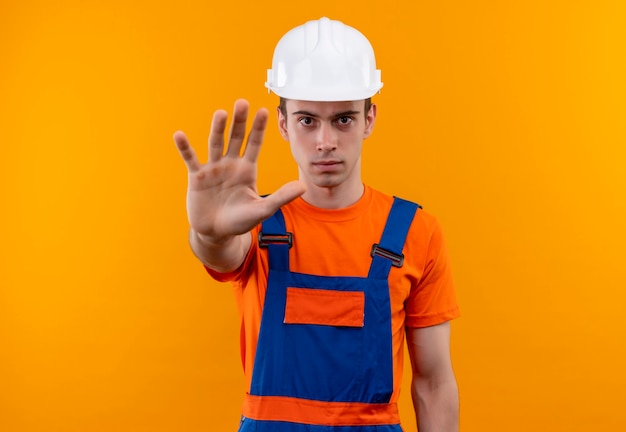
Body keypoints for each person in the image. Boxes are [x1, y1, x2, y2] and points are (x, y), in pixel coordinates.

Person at [174, 17, 460, 432]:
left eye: (343, 119)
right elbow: (220, 253)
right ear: (285, 123)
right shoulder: (253, 222)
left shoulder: (416, 232)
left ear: (369, 119)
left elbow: (434, 384)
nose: (325, 140)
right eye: (308, 120)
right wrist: (209, 230)